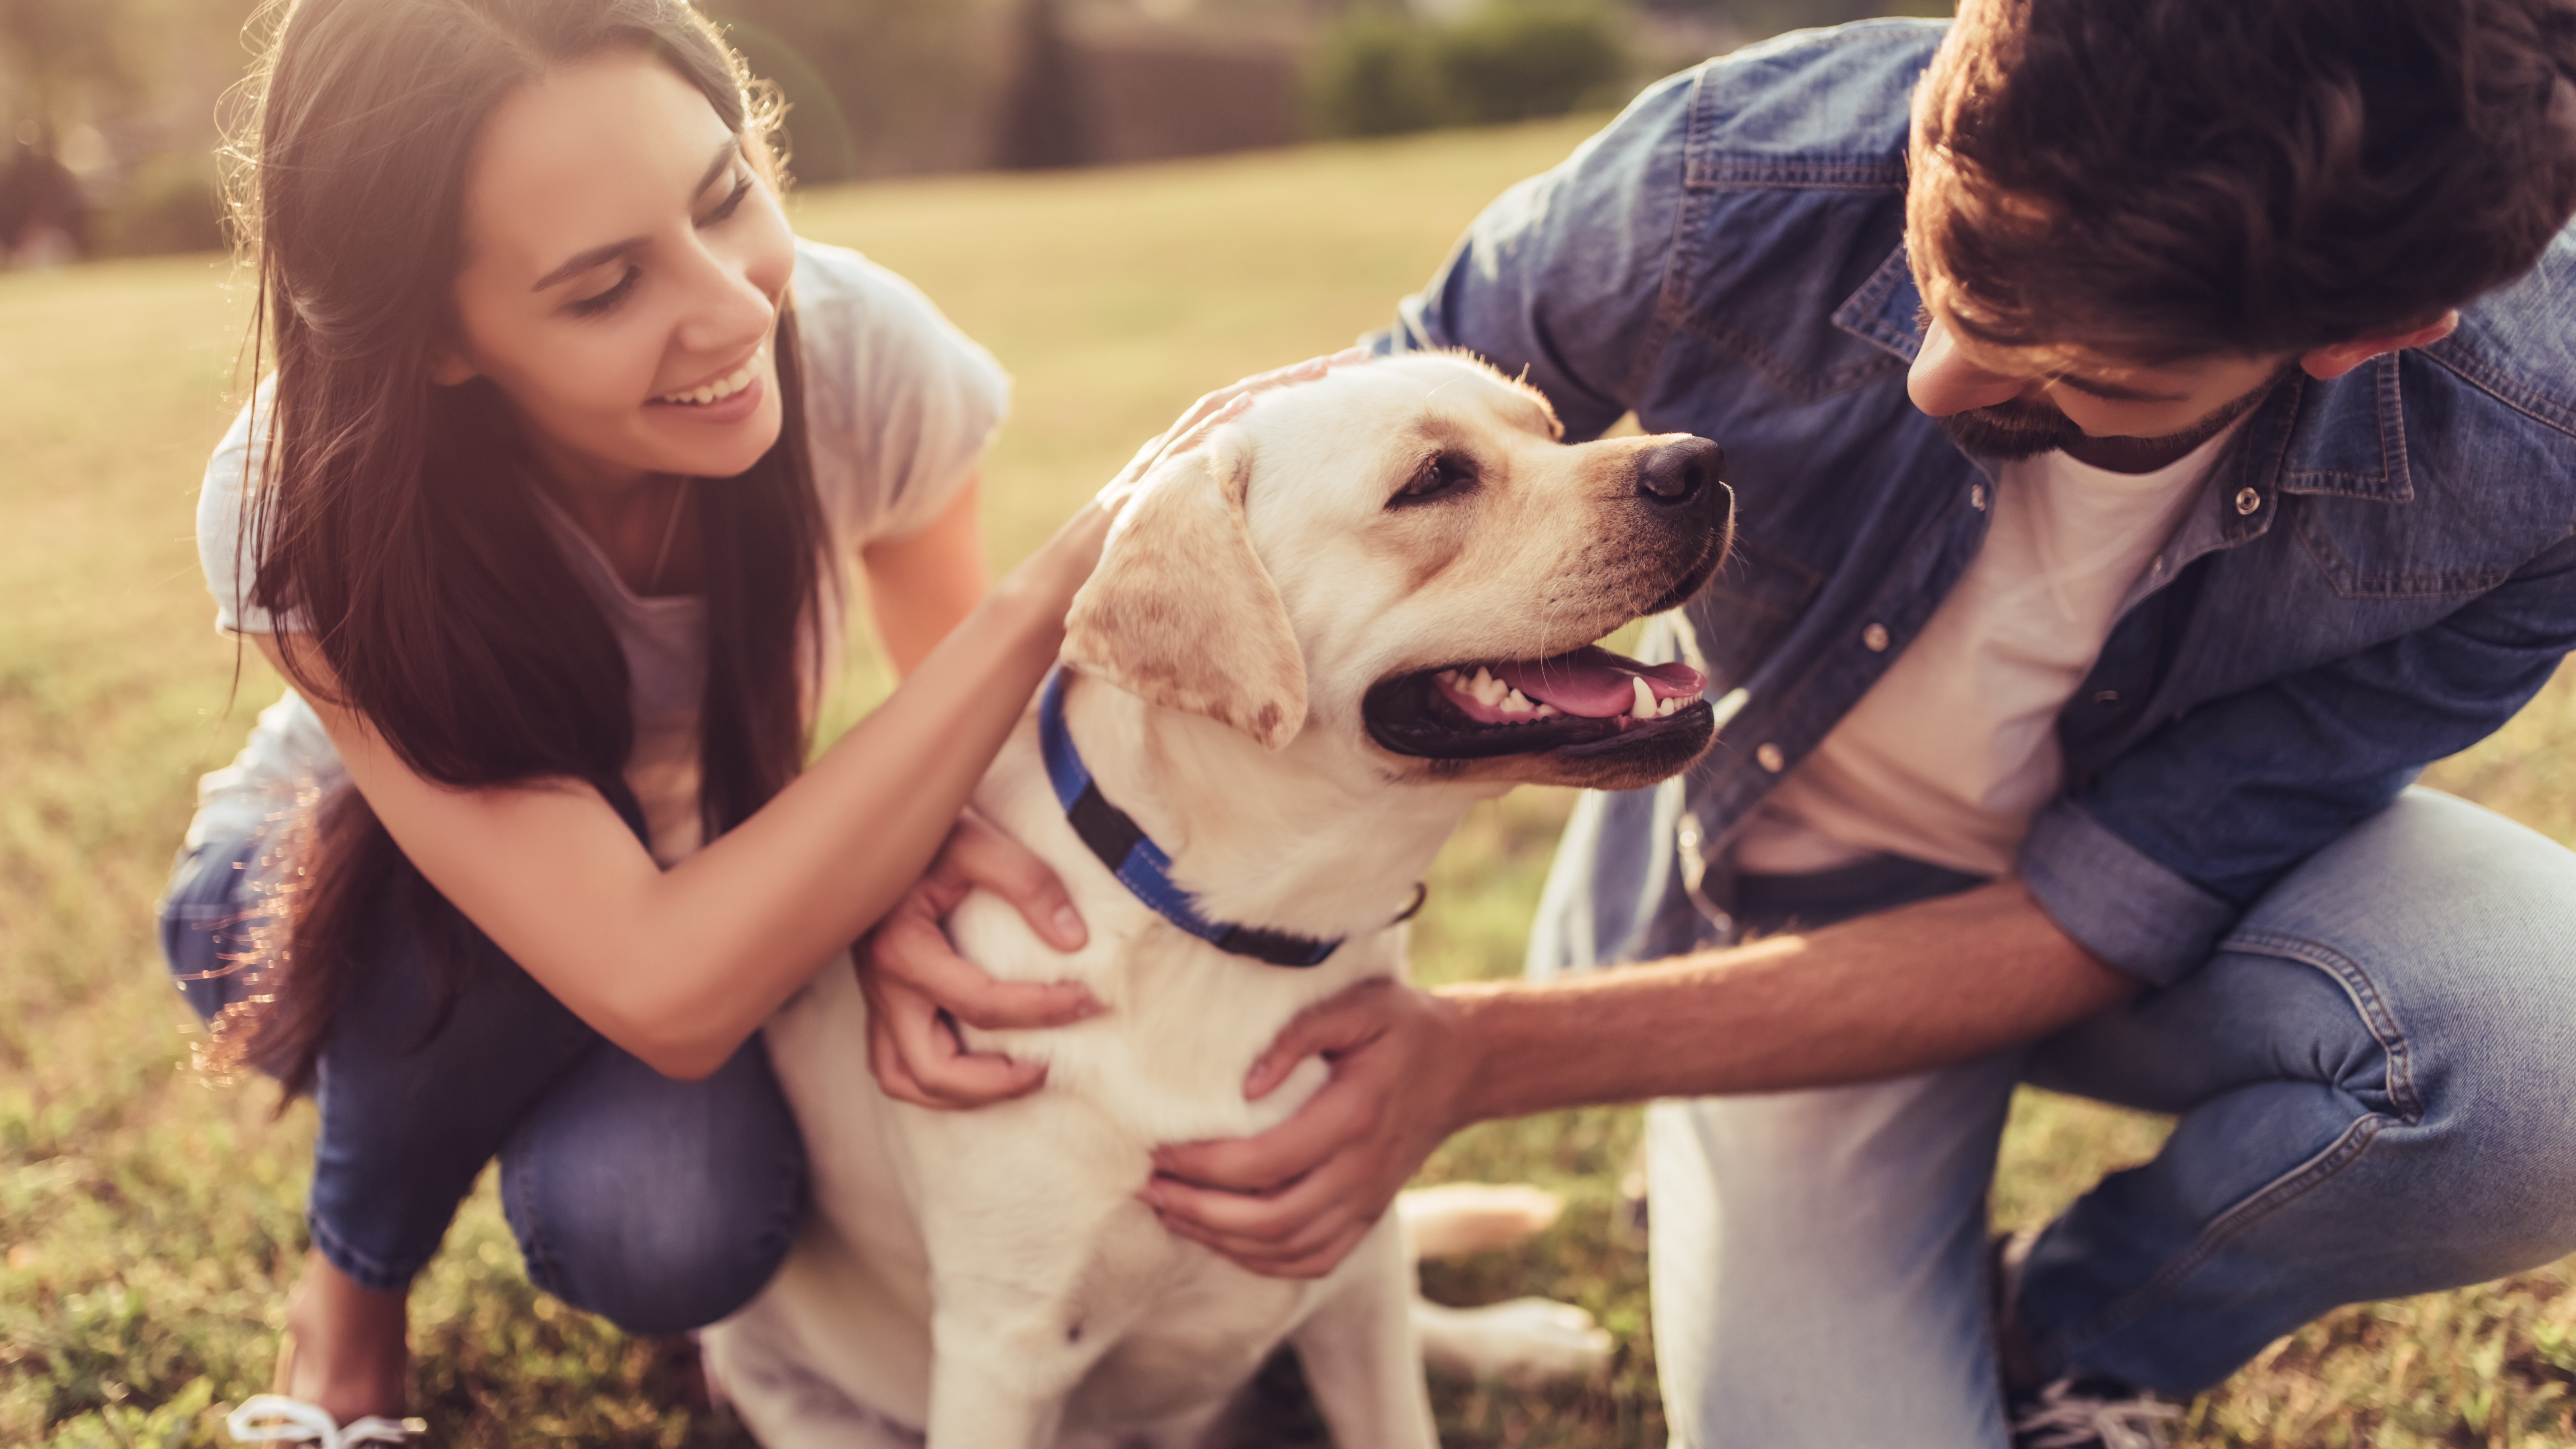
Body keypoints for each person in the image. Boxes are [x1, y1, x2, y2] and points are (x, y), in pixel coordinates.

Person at [863, 1, 2576, 1445]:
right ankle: (1802, 1207)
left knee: (2546, 1052)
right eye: (1945, 261)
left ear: (2368, 338)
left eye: (2085, 377)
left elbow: (2111, 903)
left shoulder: (2537, 449)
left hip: (2154, 918)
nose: (1936, 383)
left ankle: (2071, 1328)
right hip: (1765, 876)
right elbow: (1292, 472)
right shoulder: (1726, 172)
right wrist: (936, 837)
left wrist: (1479, 1055)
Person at [161, 0, 1323, 1438]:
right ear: (440, 339)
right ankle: (349, 1317)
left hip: (684, 893)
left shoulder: (857, 351)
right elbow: (657, 977)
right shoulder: (306, 493)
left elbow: (975, 753)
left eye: (726, 199)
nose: (731, 308)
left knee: (670, 1224)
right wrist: (1059, 583)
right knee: (489, 927)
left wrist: (899, 900)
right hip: (331, 924)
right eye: (602, 291)